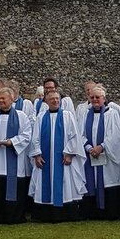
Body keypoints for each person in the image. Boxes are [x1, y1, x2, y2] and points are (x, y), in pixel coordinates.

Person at [0, 86, 33, 224]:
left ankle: (13, 217)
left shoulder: (21, 116)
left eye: (3, 98)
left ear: (12, 99)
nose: (0, 101)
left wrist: (12, 142)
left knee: (13, 189)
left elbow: (26, 135)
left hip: (14, 161)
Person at [29, 89, 86, 222]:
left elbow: (74, 136)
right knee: (44, 184)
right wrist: (37, 154)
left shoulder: (67, 115)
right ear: (46, 101)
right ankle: (45, 215)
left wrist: (69, 153)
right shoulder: (41, 117)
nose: (55, 101)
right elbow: (35, 138)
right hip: (45, 160)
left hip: (63, 159)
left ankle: (65, 214)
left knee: (66, 184)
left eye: (57, 99)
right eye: (52, 99)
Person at [81, 85, 120, 219]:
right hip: (91, 154)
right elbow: (80, 134)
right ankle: (93, 212)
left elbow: (116, 135)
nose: (95, 100)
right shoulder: (85, 113)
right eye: (92, 97)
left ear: (104, 98)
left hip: (107, 158)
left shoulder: (112, 113)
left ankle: (109, 212)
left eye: (98, 97)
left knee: (108, 181)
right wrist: (89, 148)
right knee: (93, 182)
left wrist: (101, 147)